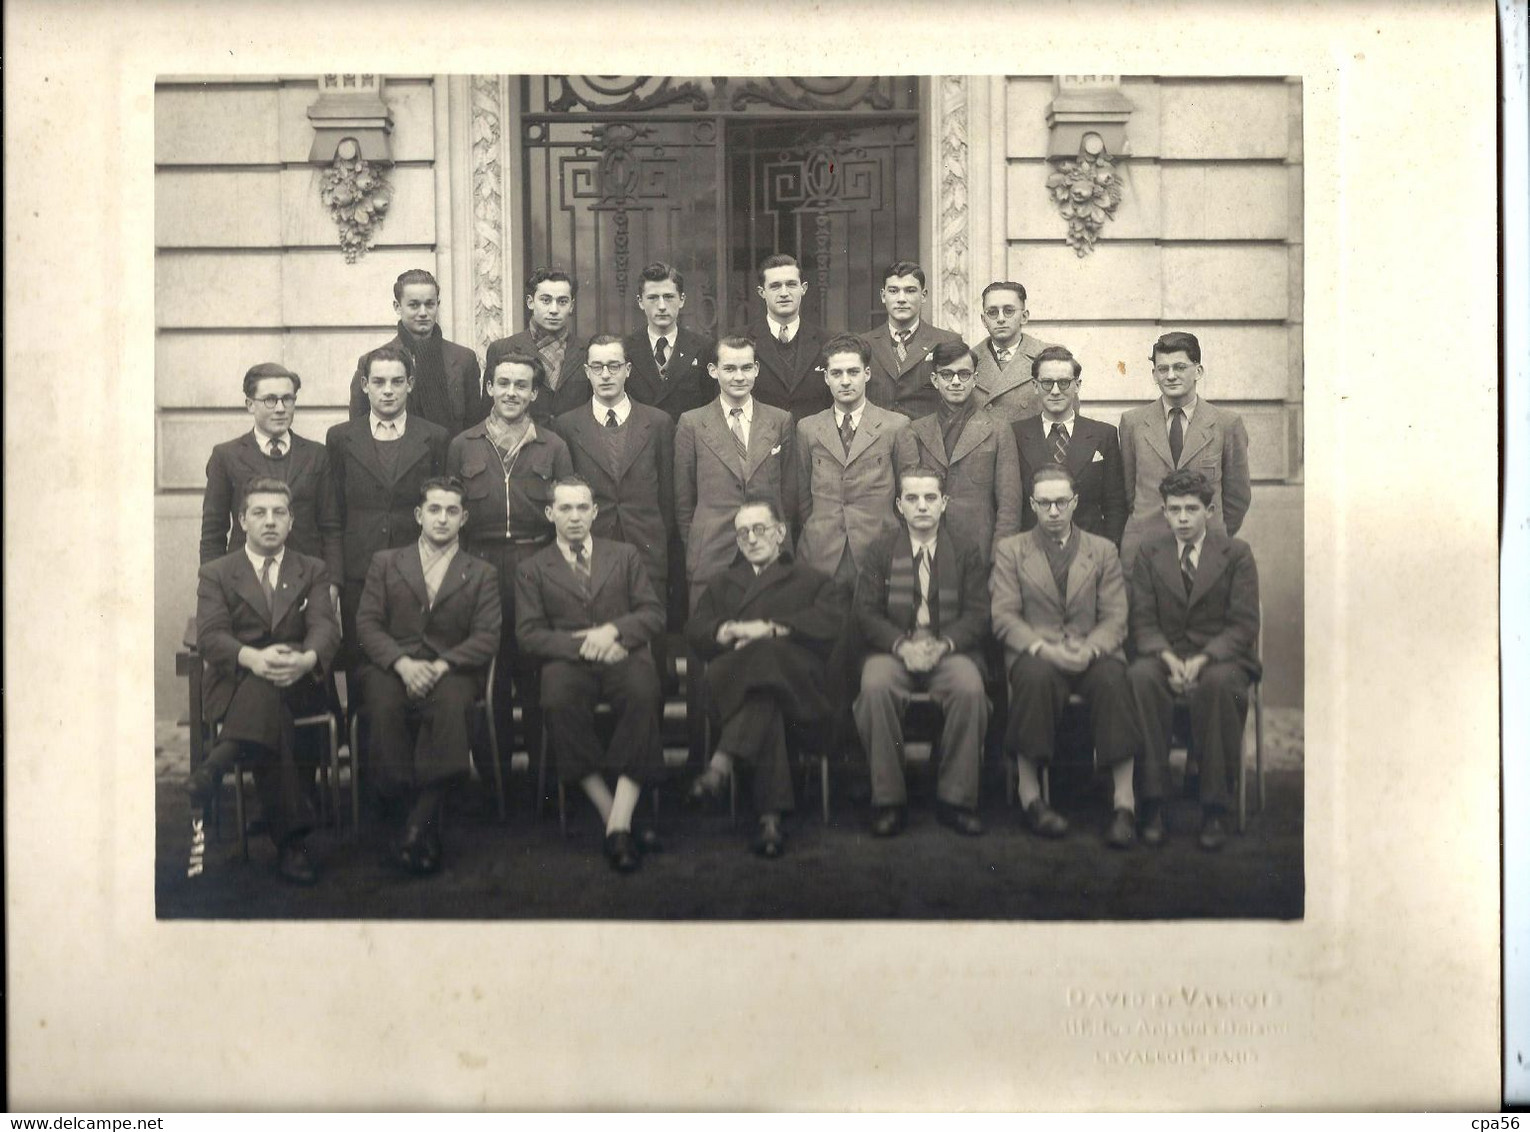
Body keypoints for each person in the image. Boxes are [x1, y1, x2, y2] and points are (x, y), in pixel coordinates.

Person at [186, 478, 341, 885]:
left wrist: (306, 659)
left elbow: (325, 626)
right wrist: (255, 659)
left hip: (300, 680)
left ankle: (218, 761)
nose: (269, 522)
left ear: (291, 521)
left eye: (279, 513)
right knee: (271, 705)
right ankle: (293, 845)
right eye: (259, 512)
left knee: (272, 693)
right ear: (242, 520)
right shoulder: (217, 573)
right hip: (238, 685)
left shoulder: (312, 569)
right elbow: (211, 636)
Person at [515, 478, 666, 874]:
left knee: (643, 692)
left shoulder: (625, 555)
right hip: (568, 662)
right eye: (565, 509)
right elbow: (528, 634)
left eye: (583, 507)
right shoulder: (532, 568)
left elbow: (652, 613)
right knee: (557, 700)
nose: (575, 517)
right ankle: (615, 819)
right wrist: (585, 644)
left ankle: (618, 822)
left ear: (595, 511)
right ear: (550, 514)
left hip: (622, 654)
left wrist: (613, 632)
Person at [354, 477, 501, 874]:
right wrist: (401, 664)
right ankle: (409, 814)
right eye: (434, 510)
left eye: (452, 511)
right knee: (383, 706)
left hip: (449, 668)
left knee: (453, 705)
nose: (442, 519)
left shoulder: (481, 571)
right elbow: (367, 625)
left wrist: (441, 665)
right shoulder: (386, 563)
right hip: (392, 666)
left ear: (464, 518)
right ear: (419, 515)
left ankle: (419, 824)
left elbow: (487, 636)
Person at [990, 465, 1142, 849]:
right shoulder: (1012, 550)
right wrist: (1044, 649)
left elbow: (1115, 616)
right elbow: (1004, 615)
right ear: (1032, 504)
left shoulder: (1103, 550)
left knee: (1114, 680)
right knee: (1033, 678)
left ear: (1075, 502)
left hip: (1090, 649)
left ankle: (1124, 804)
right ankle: (1031, 799)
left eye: (1061, 502)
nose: (1053, 511)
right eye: (1044, 503)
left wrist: (1091, 648)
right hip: (1039, 651)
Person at [685, 498, 844, 858]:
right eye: (743, 533)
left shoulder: (812, 580)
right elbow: (695, 629)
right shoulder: (723, 583)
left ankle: (721, 767)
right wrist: (724, 630)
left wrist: (771, 629)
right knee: (764, 689)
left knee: (766, 668)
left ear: (780, 533)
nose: (752, 539)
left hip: (800, 700)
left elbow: (831, 622)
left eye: (760, 530)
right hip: (732, 696)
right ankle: (770, 820)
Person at [447, 350, 575, 794]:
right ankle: (495, 783)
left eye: (522, 385)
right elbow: (452, 518)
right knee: (490, 676)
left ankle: (542, 780)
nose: (512, 393)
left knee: (538, 672)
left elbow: (566, 515)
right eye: (503, 383)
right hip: (479, 566)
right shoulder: (463, 445)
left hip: (535, 565)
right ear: (489, 388)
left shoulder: (553, 447)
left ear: (535, 393)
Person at [1126, 469, 1261, 851]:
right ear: (1164, 512)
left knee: (1220, 686)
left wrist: (1203, 660)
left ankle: (1215, 806)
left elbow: (1243, 623)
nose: (1182, 518)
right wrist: (1168, 658)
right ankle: (1151, 802)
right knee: (1139, 678)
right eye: (1174, 510)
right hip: (1164, 653)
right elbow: (1143, 620)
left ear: (1209, 510)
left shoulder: (1235, 554)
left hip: (1220, 657)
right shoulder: (1150, 553)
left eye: (1191, 509)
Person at [853, 468, 991, 838]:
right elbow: (865, 612)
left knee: (969, 688)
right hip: (895, 650)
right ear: (899, 506)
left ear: (944, 503)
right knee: (875, 686)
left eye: (930, 498)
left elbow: (978, 612)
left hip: (947, 649)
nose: (922, 506)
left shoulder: (964, 550)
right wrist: (901, 646)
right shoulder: (881, 550)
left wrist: (944, 645)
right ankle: (889, 801)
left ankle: (955, 800)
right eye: (912, 499)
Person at [325, 345, 449, 681]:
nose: (388, 390)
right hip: (359, 573)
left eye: (397, 381)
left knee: (416, 663)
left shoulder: (434, 437)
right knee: (363, 668)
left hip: (418, 571)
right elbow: (333, 516)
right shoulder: (340, 438)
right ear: (364, 385)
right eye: (379, 382)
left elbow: (443, 508)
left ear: (410, 383)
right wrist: (335, 579)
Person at [550, 335, 675, 635]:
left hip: (647, 551)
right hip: (590, 552)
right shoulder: (567, 426)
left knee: (650, 646)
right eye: (598, 367)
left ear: (628, 370)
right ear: (587, 372)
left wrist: (657, 541)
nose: (606, 374)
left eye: (614, 366)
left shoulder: (658, 423)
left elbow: (668, 497)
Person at [199, 364, 343, 620]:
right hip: (245, 584)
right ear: (249, 404)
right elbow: (213, 531)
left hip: (305, 584)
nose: (280, 408)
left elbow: (330, 527)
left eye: (287, 399)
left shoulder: (316, 455)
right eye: (269, 400)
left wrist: (331, 585)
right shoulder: (226, 456)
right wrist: (213, 589)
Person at [1118, 331, 1252, 572]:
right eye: (1162, 369)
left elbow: (1237, 497)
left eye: (1179, 367)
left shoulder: (1226, 424)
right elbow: (1129, 491)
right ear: (1154, 374)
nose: (1170, 376)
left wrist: (1211, 531)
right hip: (1145, 549)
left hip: (1206, 549)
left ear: (1198, 371)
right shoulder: (1133, 423)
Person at [794, 333, 911, 591]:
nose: (845, 381)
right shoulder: (808, 428)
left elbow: (908, 494)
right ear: (826, 377)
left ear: (867, 374)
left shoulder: (895, 426)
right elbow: (803, 498)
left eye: (853, 372)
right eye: (836, 373)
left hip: (879, 551)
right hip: (823, 553)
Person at [893, 339, 1021, 565]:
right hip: (927, 553)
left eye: (963, 375)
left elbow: (1009, 506)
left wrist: (1000, 561)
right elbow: (906, 503)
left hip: (980, 551)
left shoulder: (998, 429)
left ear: (975, 379)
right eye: (946, 375)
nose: (955, 382)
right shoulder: (915, 431)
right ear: (935, 380)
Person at [348, 269, 484, 438]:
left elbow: (474, 429)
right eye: (414, 305)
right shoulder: (372, 362)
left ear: (438, 305)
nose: (423, 313)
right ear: (398, 307)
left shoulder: (464, 359)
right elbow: (358, 431)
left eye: (429, 304)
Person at [1013, 345, 1127, 547]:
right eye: (1047, 383)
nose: (1055, 391)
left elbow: (1115, 505)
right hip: (1032, 553)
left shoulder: (1104, 435)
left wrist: (1107, 552)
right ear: (1034, 386)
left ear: (1077, 385)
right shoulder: (1016, 435)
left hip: (1088, 553)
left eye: (1064, 383)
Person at [483, 267, 592, 426]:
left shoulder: (587, 352)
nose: (554, 310)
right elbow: (488, 412)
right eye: (546, 300)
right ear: (530, 302)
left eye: (562, 301)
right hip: (522, 445)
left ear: (571, 306)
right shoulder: (502, 349)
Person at [861, 260, 962, 419]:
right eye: (893, 291)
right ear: (883, 295)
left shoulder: (947, 341)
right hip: (878, 440)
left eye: (910, 291)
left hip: (926, 440)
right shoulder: (863, 344)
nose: (901, 299)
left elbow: (956, 401)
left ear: (923, 296)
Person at [738, 253, 829, 422]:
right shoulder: (740, 341)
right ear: (761, 292)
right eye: (775, 286)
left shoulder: (827, 342)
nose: (784, 293)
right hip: (760, 443)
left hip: (812, 444)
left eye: (791, 284)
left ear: (803, 288)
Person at [622, 261, 715, 421]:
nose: (662, 306)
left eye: (669, 297)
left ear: (682, 299)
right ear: (640, 301)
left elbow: (711, 406)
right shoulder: (625, 349)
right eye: (652, 298)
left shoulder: (704, 348)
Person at [970, 280, 1057, 424]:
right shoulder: (969, 361)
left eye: (1008, 311)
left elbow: (1066, 417)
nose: (1001, 319)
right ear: (984, 320)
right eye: (992, 312)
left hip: (1031, 445)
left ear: (1024, 316)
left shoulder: (1050, 358)